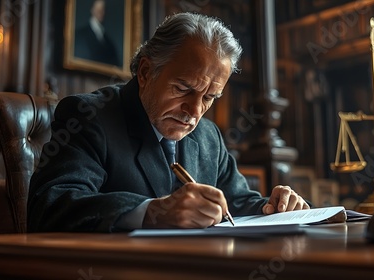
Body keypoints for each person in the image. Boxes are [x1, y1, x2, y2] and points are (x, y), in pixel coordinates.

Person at [27, 12, 309, 233]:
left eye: (210, 96)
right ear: (146, 72)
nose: (195, 110)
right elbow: (51, 205)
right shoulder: (89, 117)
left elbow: (235, 202)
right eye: (183, 88)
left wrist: (274, 208)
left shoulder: (209, 136)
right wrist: (152, 212)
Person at [74, 0, 121, 67]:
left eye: (102, 9)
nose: (100, 12)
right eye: (97, 9)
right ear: (92, 9)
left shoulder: (109, 42)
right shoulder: (80, 35)